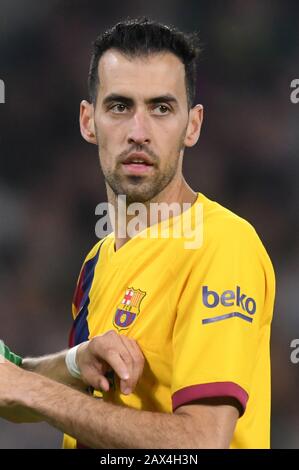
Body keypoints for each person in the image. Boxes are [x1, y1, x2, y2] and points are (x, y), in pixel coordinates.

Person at [0, 17, 275, 449]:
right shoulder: (97, 261)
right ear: (88, 121)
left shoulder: (223, 245)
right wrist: (72, 365)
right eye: (120, 106)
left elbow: (200, 443)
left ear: (193, 125)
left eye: (161, 108)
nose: (138, 133)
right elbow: (16, 396)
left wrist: (33, 389)